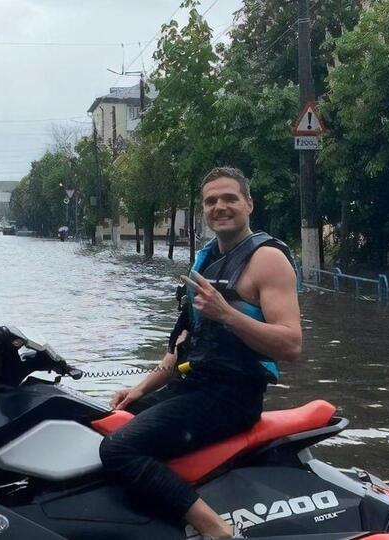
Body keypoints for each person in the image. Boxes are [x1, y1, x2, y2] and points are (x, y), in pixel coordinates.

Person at [99, 167, 302, 539]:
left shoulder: (267, 260)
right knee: (101, 421)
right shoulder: (206, 261)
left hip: (232, 398)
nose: (219, 207)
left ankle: (218, 530)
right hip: (192, 388)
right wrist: (139, 391)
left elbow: (291, 345)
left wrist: (227, 314)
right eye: (211, 201)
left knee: (118, 450)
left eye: (230, 198)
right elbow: (184, 347)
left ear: (249, 204)